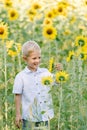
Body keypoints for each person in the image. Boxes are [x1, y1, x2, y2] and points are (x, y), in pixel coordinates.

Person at [13, 40, 62, 130]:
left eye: (39, 57)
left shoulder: (45, 72)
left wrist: (60, 72)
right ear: (25, 58)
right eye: (34, 58)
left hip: (44, 117)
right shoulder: (21, 77)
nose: (38, 61)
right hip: (29, 118)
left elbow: (58, 82)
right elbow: (17, 95)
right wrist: (18, 114)